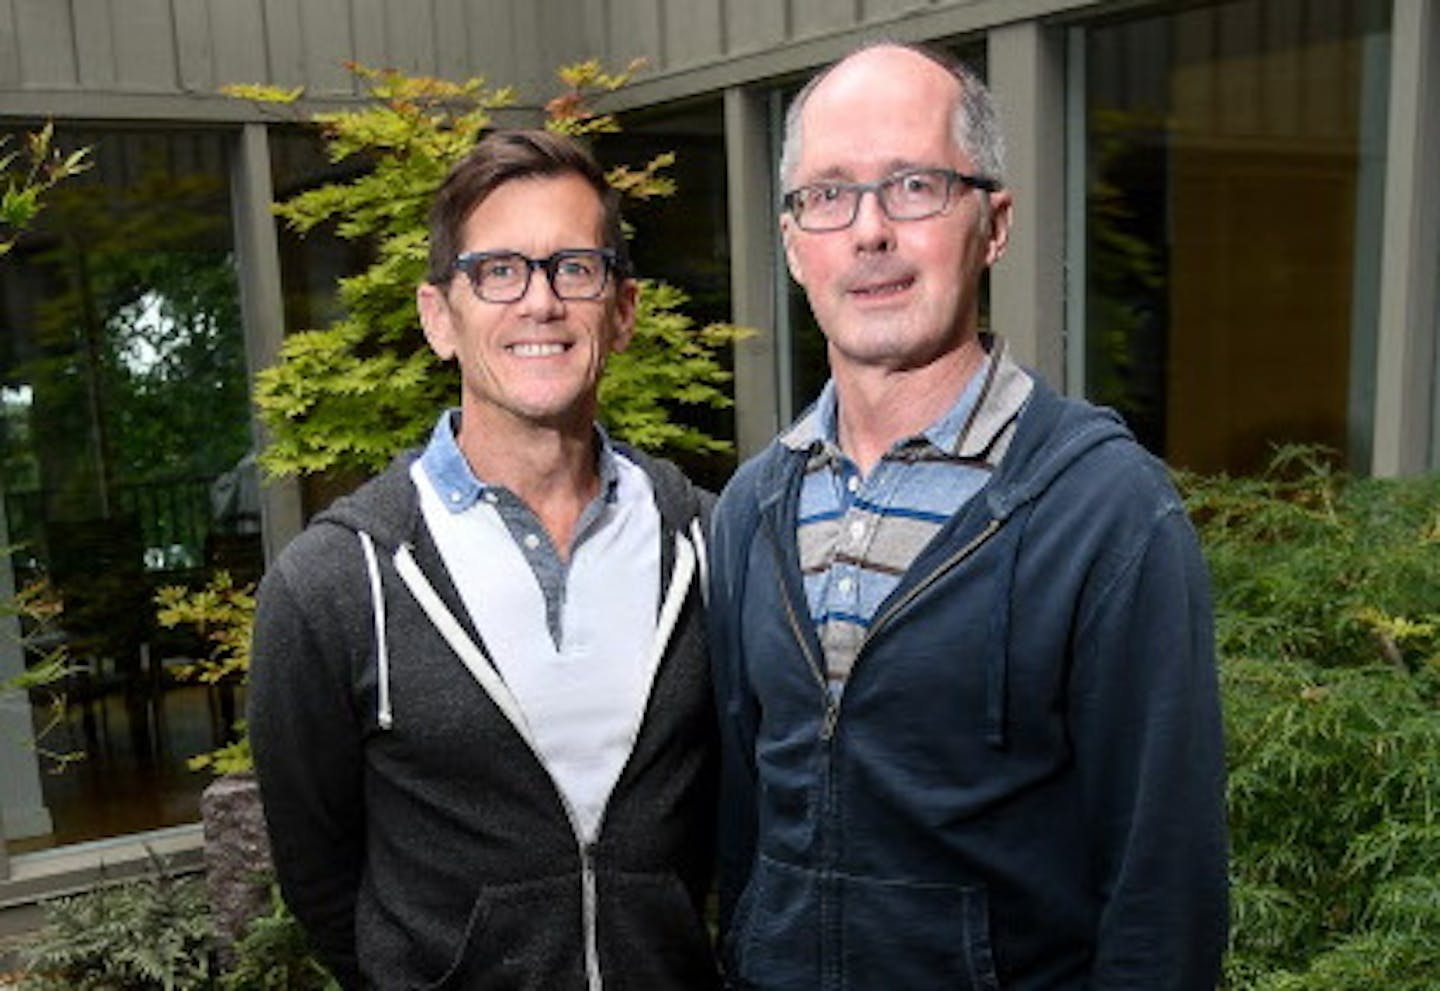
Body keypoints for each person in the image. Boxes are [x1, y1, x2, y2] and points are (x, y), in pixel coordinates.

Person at [708, 42, 1227, 990]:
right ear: (792, 244)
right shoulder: (754, 507)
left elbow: (1164, 897)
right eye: (829, 194)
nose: (869, 232)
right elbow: (745, 834)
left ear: (992, 223)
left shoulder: (1105, 513)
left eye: (912, 186)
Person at [248, 129, 720, 990]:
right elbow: (319, 878)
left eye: (574, 267)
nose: (539, 302)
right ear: (440, 317)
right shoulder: (335, 585)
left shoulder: (705, 544)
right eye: (497, 270)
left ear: (621, 309)